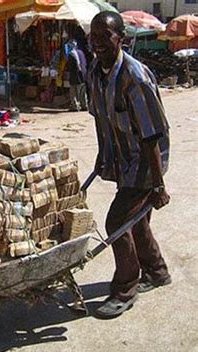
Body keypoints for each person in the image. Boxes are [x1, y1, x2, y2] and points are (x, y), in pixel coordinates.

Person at [88, 11, 171, 319]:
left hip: (147, 161)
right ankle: (157, 271)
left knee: (116, 222)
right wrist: (102, 155)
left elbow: (152, 134)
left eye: (104, 37)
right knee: (136, 221)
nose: (97, 43)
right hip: (123, 157)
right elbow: (101, 119)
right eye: (93, 37)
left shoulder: (134, 77)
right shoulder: (96, 72)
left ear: (120, 38)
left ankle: (125, 288)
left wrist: (158, 184)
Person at [67, 39, 88, 111]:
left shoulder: (71, 54)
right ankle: (84, 105)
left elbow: (71, 66)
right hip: (83, 74)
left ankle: (75, 106)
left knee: (73, 91)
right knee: (82, 91)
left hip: (75, 75)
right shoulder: (81, 52)